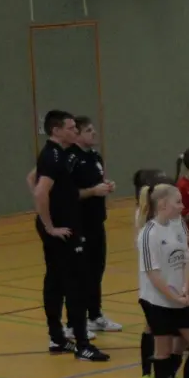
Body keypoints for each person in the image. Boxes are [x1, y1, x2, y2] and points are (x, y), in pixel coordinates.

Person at [33, 110, 105, 359]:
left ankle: (57, 339)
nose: (75, 131)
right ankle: (82, 344)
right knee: (74, 283)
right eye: (72, 127)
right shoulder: (53, 156)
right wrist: (50, 225)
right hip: (62, 230)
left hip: (66, 225)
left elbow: (32, 177)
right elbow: (40, 191)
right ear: (57, 130)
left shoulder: (59, 154)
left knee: (56, 281)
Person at [137, 184, 189, 378]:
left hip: (179, 298)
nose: (182, 206)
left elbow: (185, 258)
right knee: (162, 348)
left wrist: (185, 289)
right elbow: (153, 274)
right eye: (178, 202)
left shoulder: (177, 225)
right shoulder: (148, 234)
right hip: (157, 300)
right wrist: (174, 296)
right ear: (163, 204)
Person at [69, 117, 120, 336]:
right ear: (77, 134)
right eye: (88, 130)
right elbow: (67, 194)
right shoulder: (70, 158)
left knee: (96, 270)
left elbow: (95, 184)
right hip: (79, 224)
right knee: (81, 273)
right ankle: (75, 322)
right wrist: (92, 192)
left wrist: (106, 187)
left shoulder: (95, 157)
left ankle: (95, 316)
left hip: (97, 222)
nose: (94, 133)